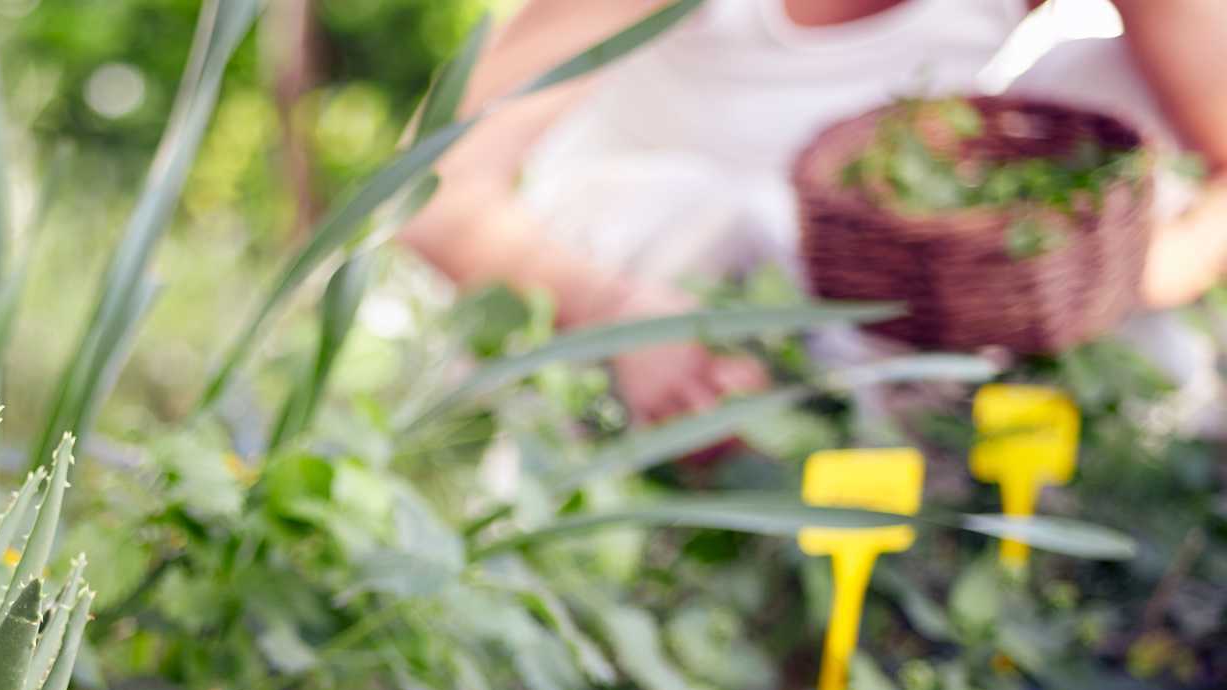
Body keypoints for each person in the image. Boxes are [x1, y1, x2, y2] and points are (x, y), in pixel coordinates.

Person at [401, 0, 1227, 422]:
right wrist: (615, 314)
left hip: (865, 304)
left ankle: (1112, 484)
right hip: (630, 280)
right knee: (733, 221)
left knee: (1107, 94)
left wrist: (1149, 266)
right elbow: (427, 188)